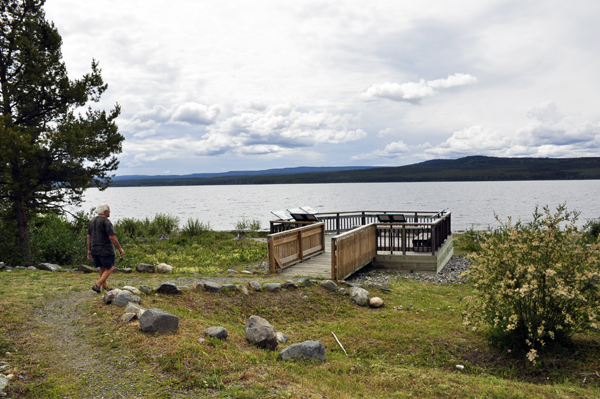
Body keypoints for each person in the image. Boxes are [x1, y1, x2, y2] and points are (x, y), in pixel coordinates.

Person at [87, 204, 125, 293]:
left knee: (102, 268)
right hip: (105, 249)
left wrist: (89, 249)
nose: (110, 212)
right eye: (109, 210)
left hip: (94, 249)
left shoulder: (92, 221)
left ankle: (104, 287)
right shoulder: (106, 222)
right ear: (105, 212)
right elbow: (112, 237)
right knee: (111, 267)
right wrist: (119, 248)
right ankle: (97, 285)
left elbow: (88, 237)